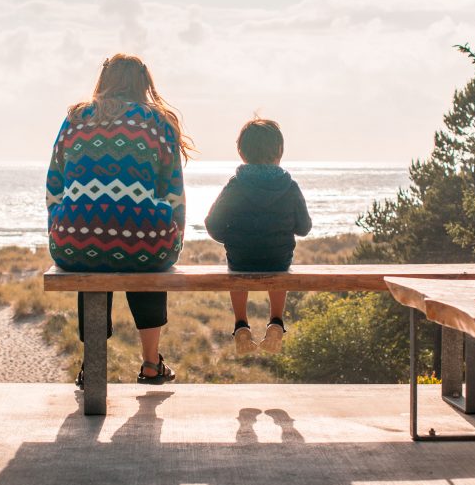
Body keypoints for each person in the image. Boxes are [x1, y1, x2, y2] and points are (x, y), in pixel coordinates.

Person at [46, 54, 191, 385]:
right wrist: (172, 239)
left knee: (90, 243)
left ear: (105, 79)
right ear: (144, 83)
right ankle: (152, 364)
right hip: (149, 246)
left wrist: (61, 229)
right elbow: (173, 193)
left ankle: (92, 363)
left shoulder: (76, 118)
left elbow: (55, 185)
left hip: (73, 244)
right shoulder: (158, 122)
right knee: (146, 238)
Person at [204, 118, 312, 355]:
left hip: (241, 257)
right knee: (280, 268)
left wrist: (231, 237)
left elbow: (212, 224)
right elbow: (304, 227)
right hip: (278, 258)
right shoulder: (289, 186)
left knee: (237, 268)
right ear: (280, 151)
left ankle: (241, 324)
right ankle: (276, 321)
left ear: (241, 152)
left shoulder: (235, 186)